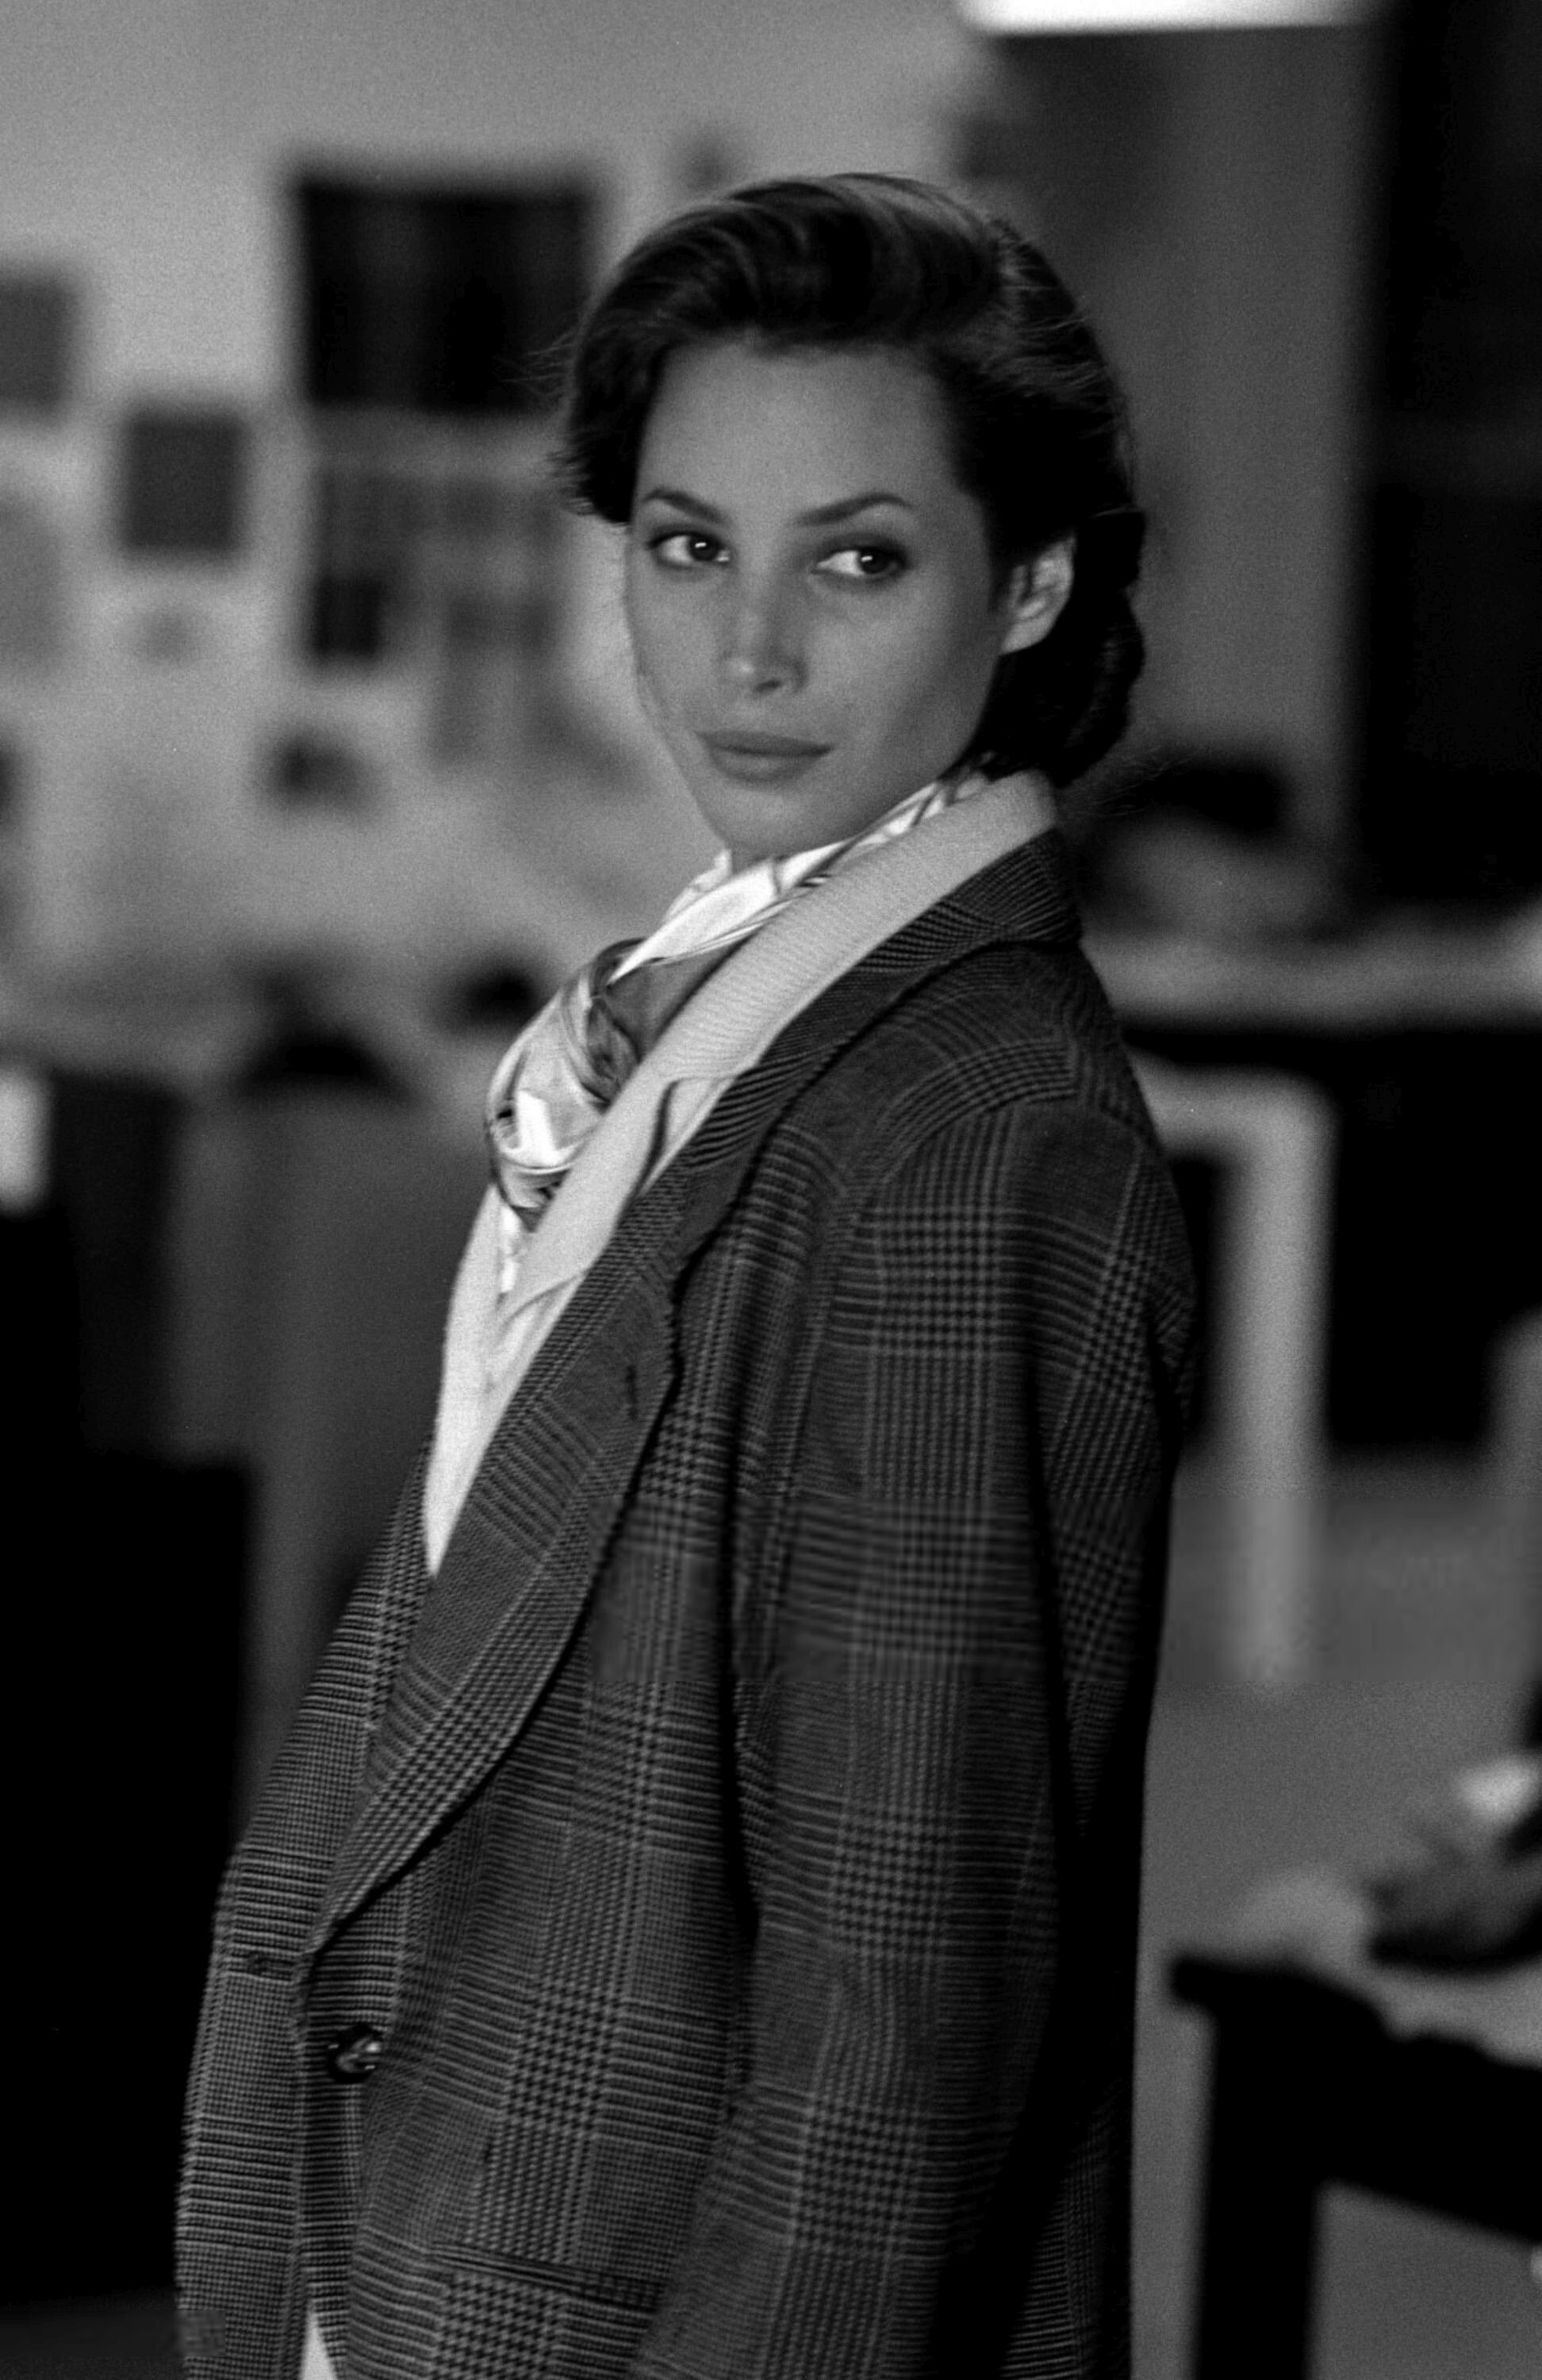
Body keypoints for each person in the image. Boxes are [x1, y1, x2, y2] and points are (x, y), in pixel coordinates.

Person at [179, 173, 1196, 2380]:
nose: (747, 654)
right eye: (684, 544)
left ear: (1028, 583)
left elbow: (899, 2014)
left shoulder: (974, 1137)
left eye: (857, 559)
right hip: (467, 2230)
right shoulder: (725, 1009)